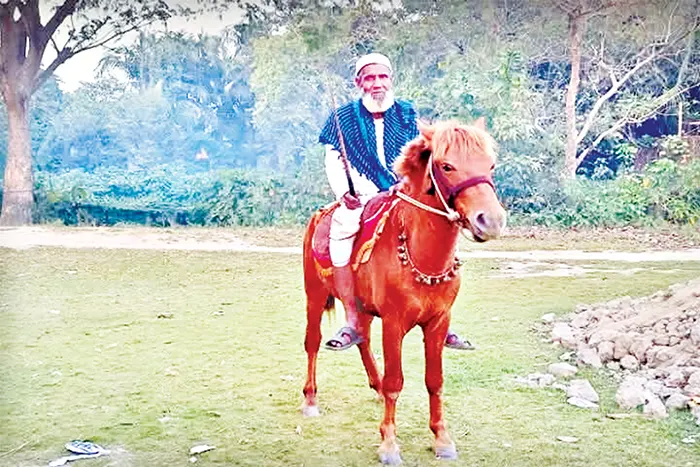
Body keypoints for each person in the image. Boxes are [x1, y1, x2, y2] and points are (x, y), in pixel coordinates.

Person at [319, 52, 474, 352]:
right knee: (341, 228)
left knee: (440, 228)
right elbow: (333, 159)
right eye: (370, 78)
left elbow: (422, 154)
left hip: (402, 192)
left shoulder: (406, 112)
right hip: (361, 194)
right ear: (359, 82)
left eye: (382, 76)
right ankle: (352, 319)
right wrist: (343, 193)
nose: (377, 83)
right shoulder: (343, 118)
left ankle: (441, 316)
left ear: (390, 79)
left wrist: (409, 185)